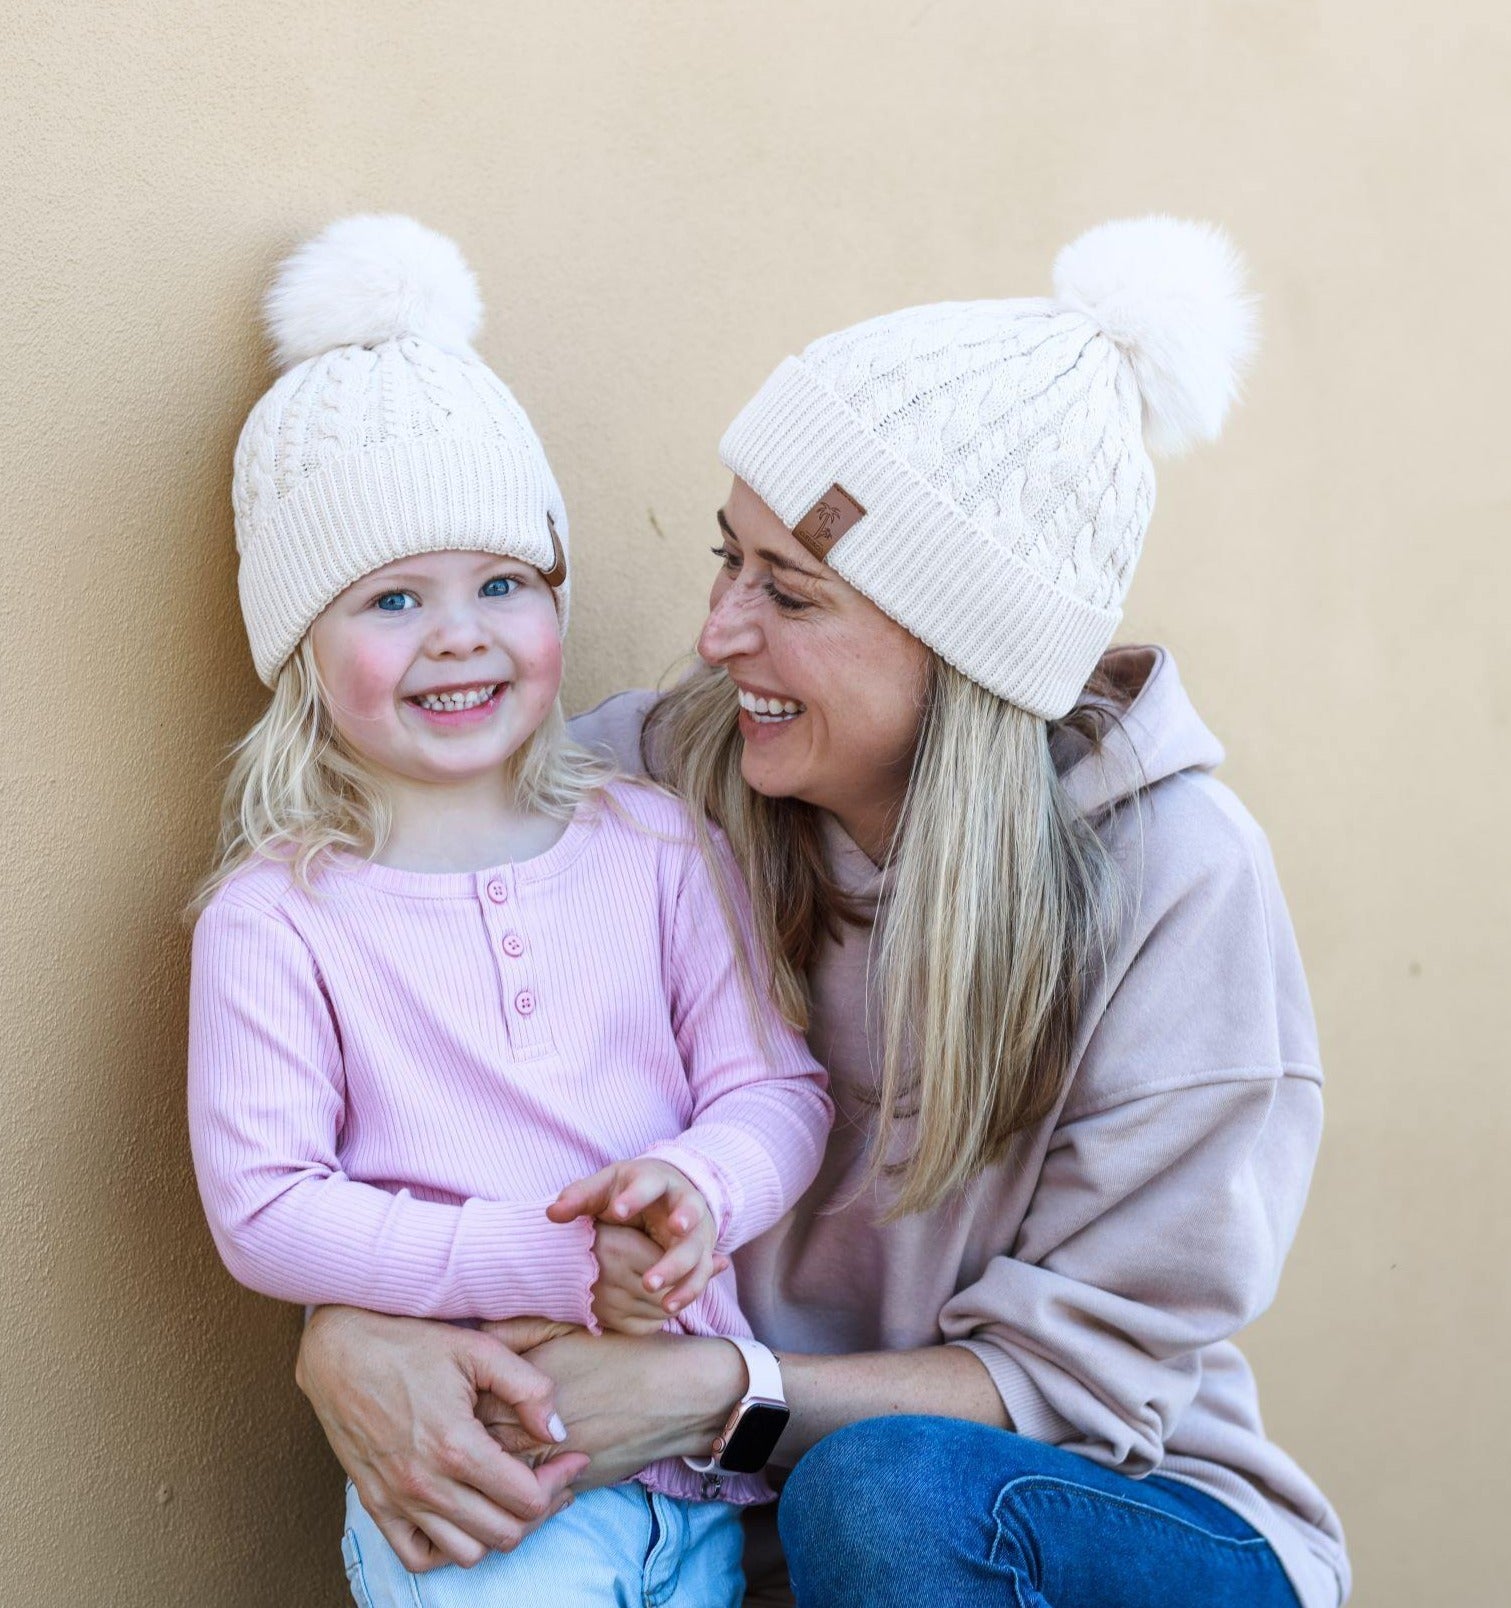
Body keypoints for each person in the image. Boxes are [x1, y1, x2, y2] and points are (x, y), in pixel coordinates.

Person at [294, 215, 1352, 1608]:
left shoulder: (1176, 883)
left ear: (962, 656)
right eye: (730, 560)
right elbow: (424, 1062)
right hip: (741, 1537)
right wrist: (346, 1333)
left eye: (788, 591)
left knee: (889, 1494)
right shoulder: (645, 790)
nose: (721, 631)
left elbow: (1071, 1387)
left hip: (1111, 1522)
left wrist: (714, 1397)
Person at [188, 214, 833, 1608]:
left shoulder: (655, 845)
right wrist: (544, 1252)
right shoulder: (276, 919)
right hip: (483, 1486)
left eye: (500, 583)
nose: (459, 631)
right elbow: (264, 1207)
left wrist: (696, 1193)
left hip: (688, 1479)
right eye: (392, 599)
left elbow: (774, 1088)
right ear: (299, 652)